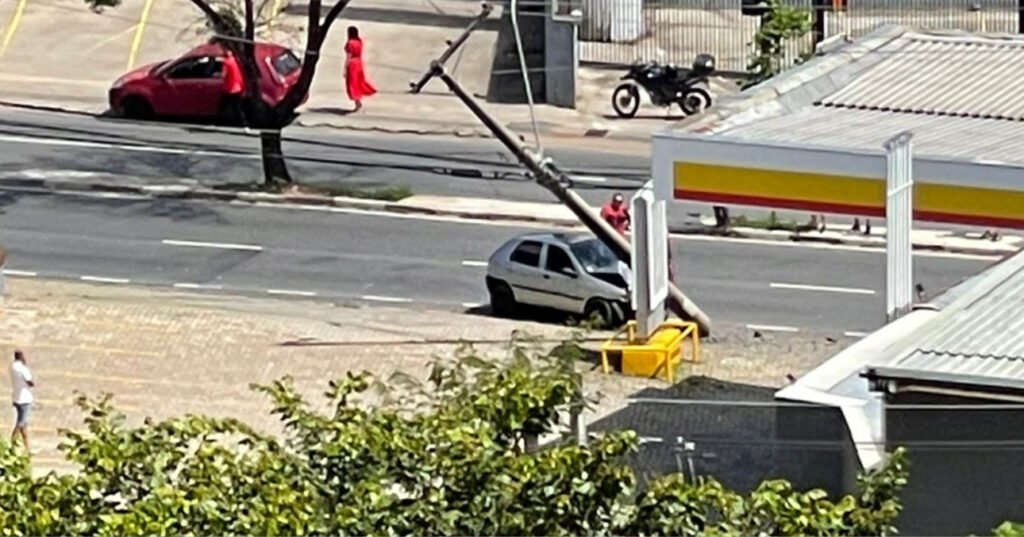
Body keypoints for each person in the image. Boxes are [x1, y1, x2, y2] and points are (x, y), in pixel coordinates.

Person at [344, 26, 377, 112]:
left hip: (352, 64)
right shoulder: (359, 41)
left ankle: (357, 103)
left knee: (352, 84)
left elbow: (348, 56)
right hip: (359, 63)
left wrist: (345, 68)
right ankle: (358, 102)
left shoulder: (350, 43)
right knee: (358, 82)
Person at [9, 350, 34, 453]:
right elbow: (30, 382)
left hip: (16, 397)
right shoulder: (22, 368)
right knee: (21, 423)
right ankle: (12, 443)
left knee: (24, 424)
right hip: (25, 399)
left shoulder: (12, 367)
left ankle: (27, 447)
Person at [222, 48, 248, 129]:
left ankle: (229, 121)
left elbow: (223, 74)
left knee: (226, 105)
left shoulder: (226, 62)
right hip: (238, 87)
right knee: (237, 106)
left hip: (230, 88)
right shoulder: (236, 61)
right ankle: (244, 124)